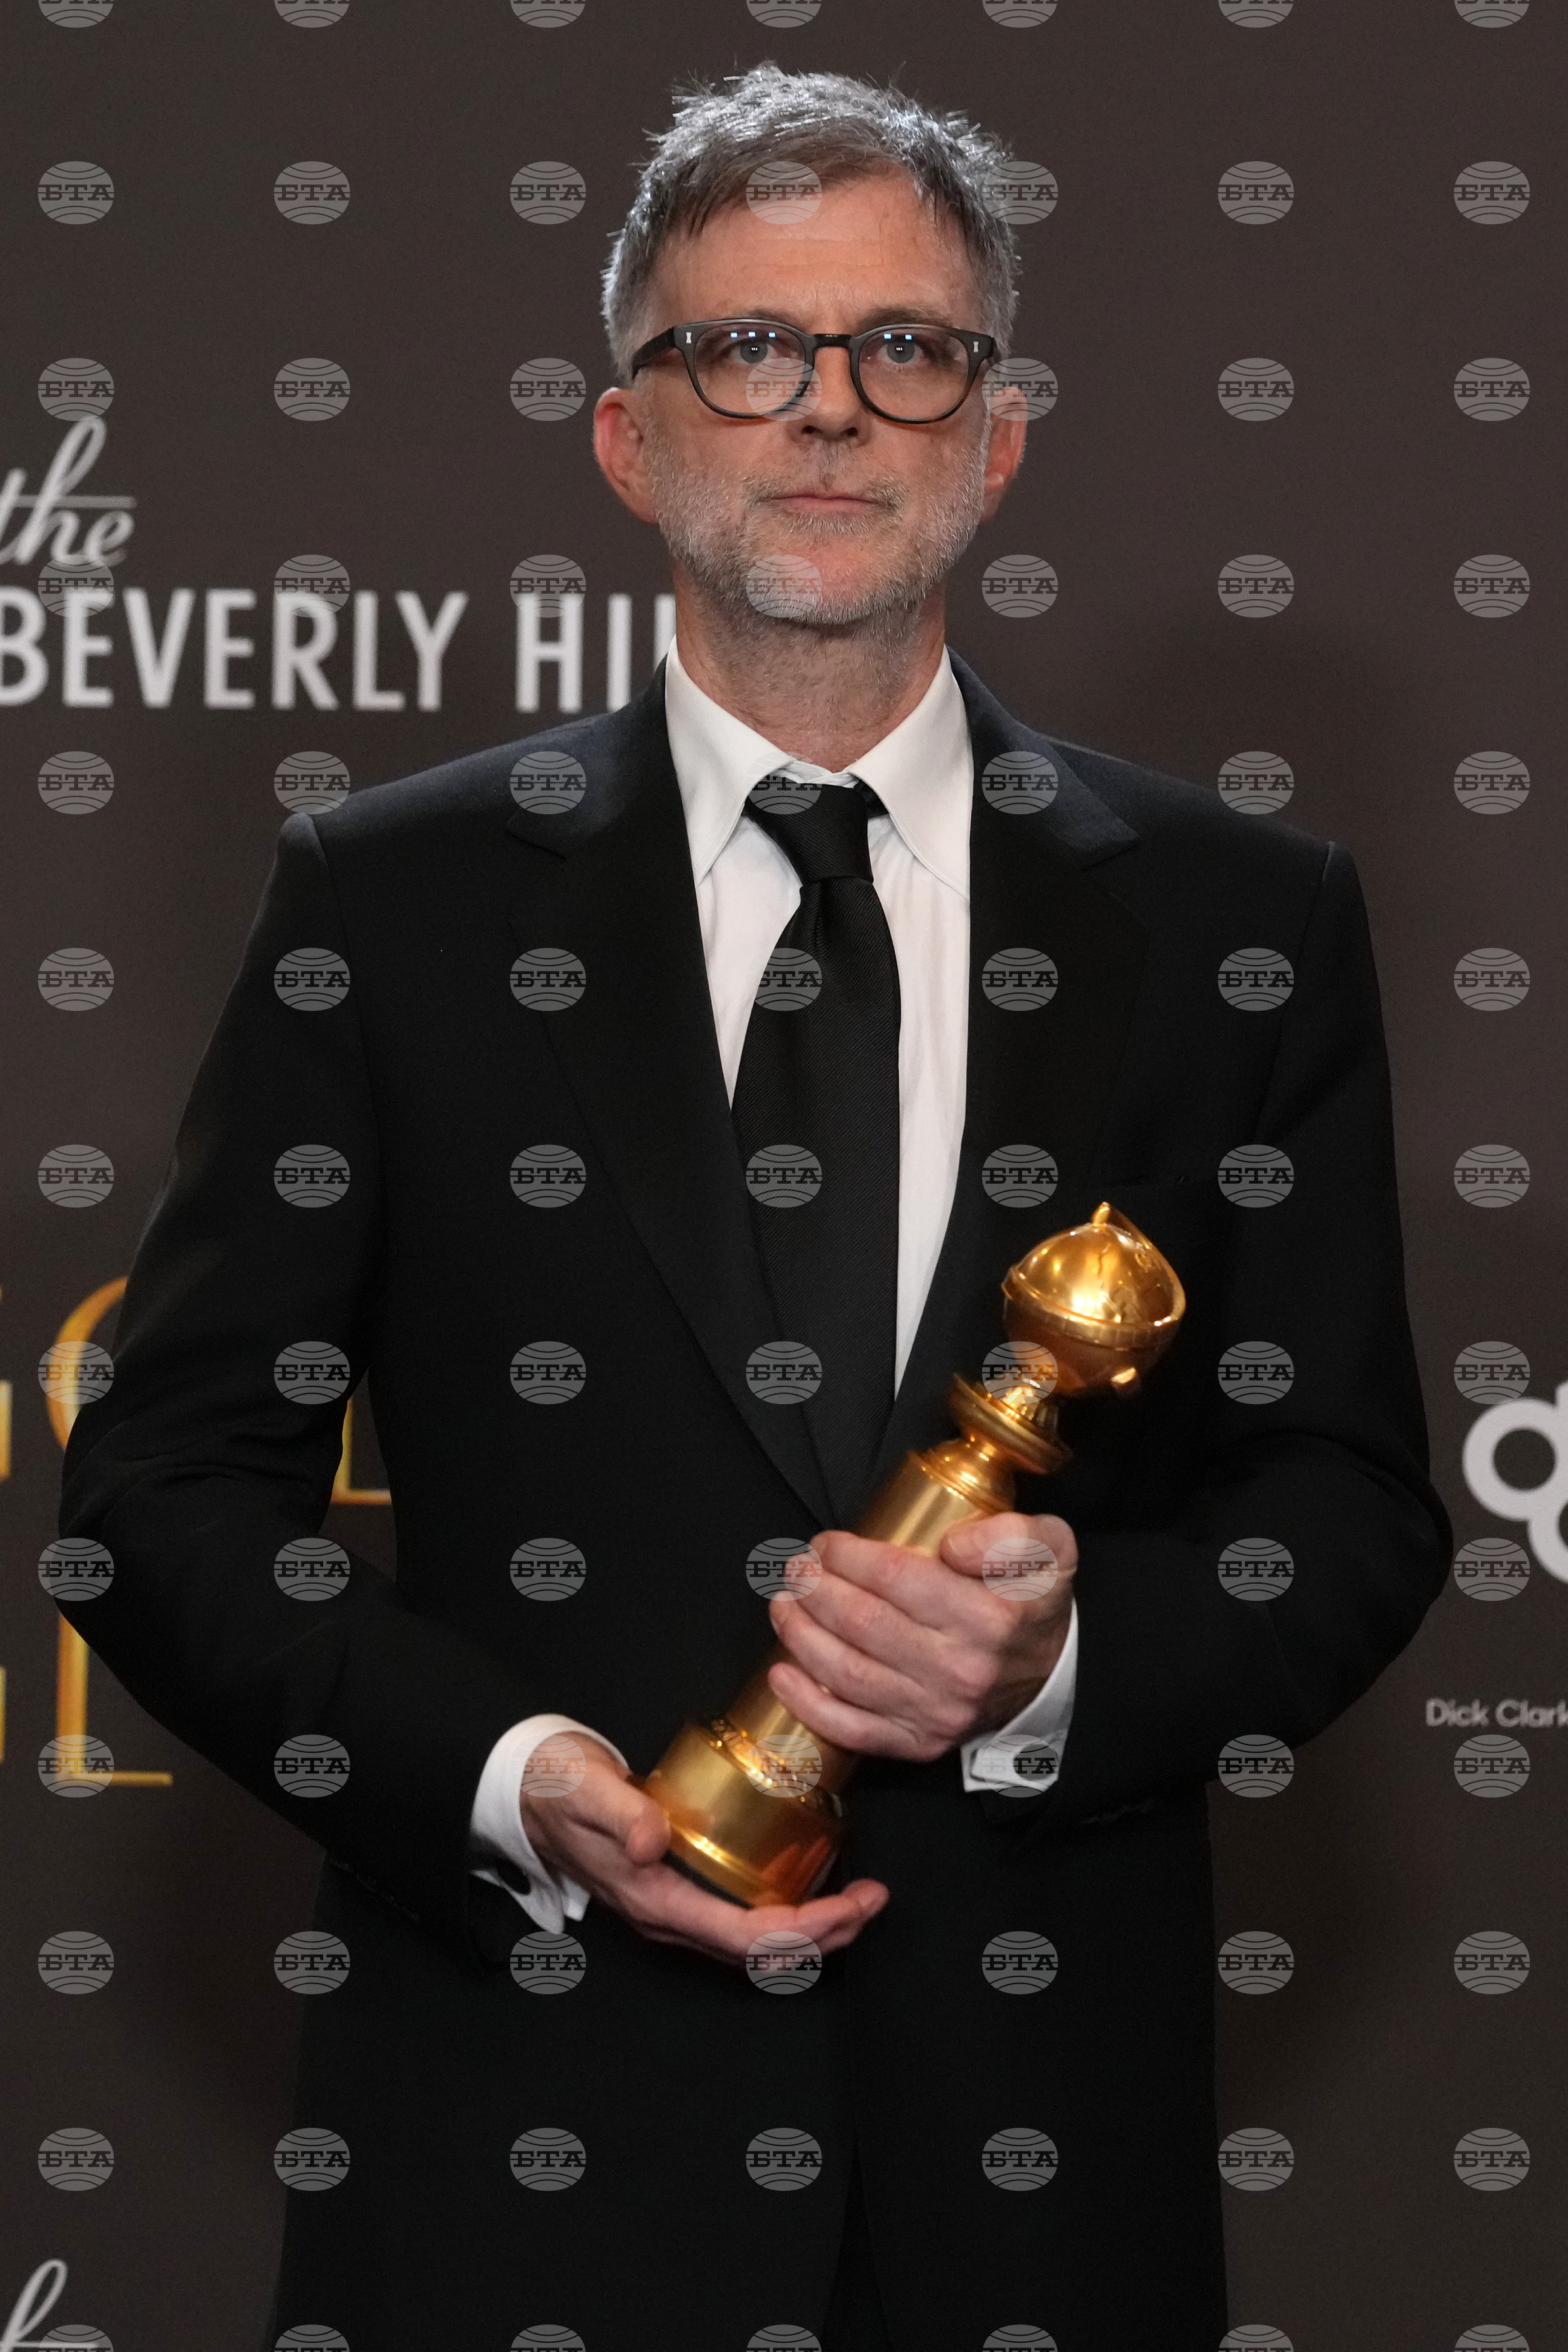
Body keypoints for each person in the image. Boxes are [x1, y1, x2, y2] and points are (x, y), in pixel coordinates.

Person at [58, 64, 1449, 2352]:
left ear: (997, 436)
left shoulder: (1241, 917)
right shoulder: (388, 903)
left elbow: (1354, 1501)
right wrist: (517, 1783)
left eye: (907, 349)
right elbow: (168, 1488)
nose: (830, 413)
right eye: (747, 350)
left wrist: (1062, 1657)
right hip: (515, 2147)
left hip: (1037, 2178)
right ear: (631, 437)